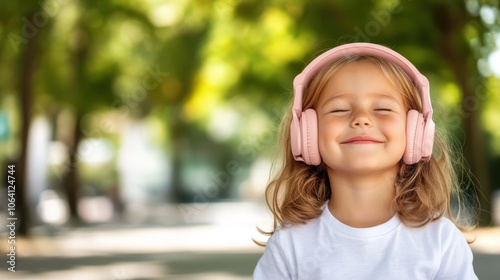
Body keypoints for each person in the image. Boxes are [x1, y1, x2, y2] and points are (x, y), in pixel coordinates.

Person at [253, 42, 478, 279]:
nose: (361, 119)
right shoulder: (290, 245)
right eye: (339, 109)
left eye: (382, 108)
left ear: (416, 132)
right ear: (306, 133)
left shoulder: (441, 241)